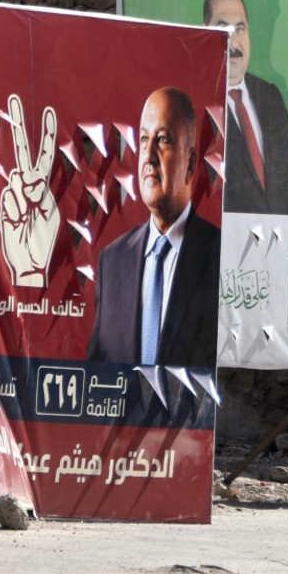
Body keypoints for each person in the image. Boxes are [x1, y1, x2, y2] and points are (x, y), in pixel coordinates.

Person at [87, 87, 221, 367]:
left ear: (190, 163)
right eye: (144, 139)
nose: (148, 155)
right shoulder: (112, 262)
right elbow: (96, 373)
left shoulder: (222, 259)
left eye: (162, 140)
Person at [204, 0, 288, 215]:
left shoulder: (271, 97)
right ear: (204, 31)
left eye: (239, 29)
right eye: (223, 29)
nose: (234, 42)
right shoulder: (195, 107)